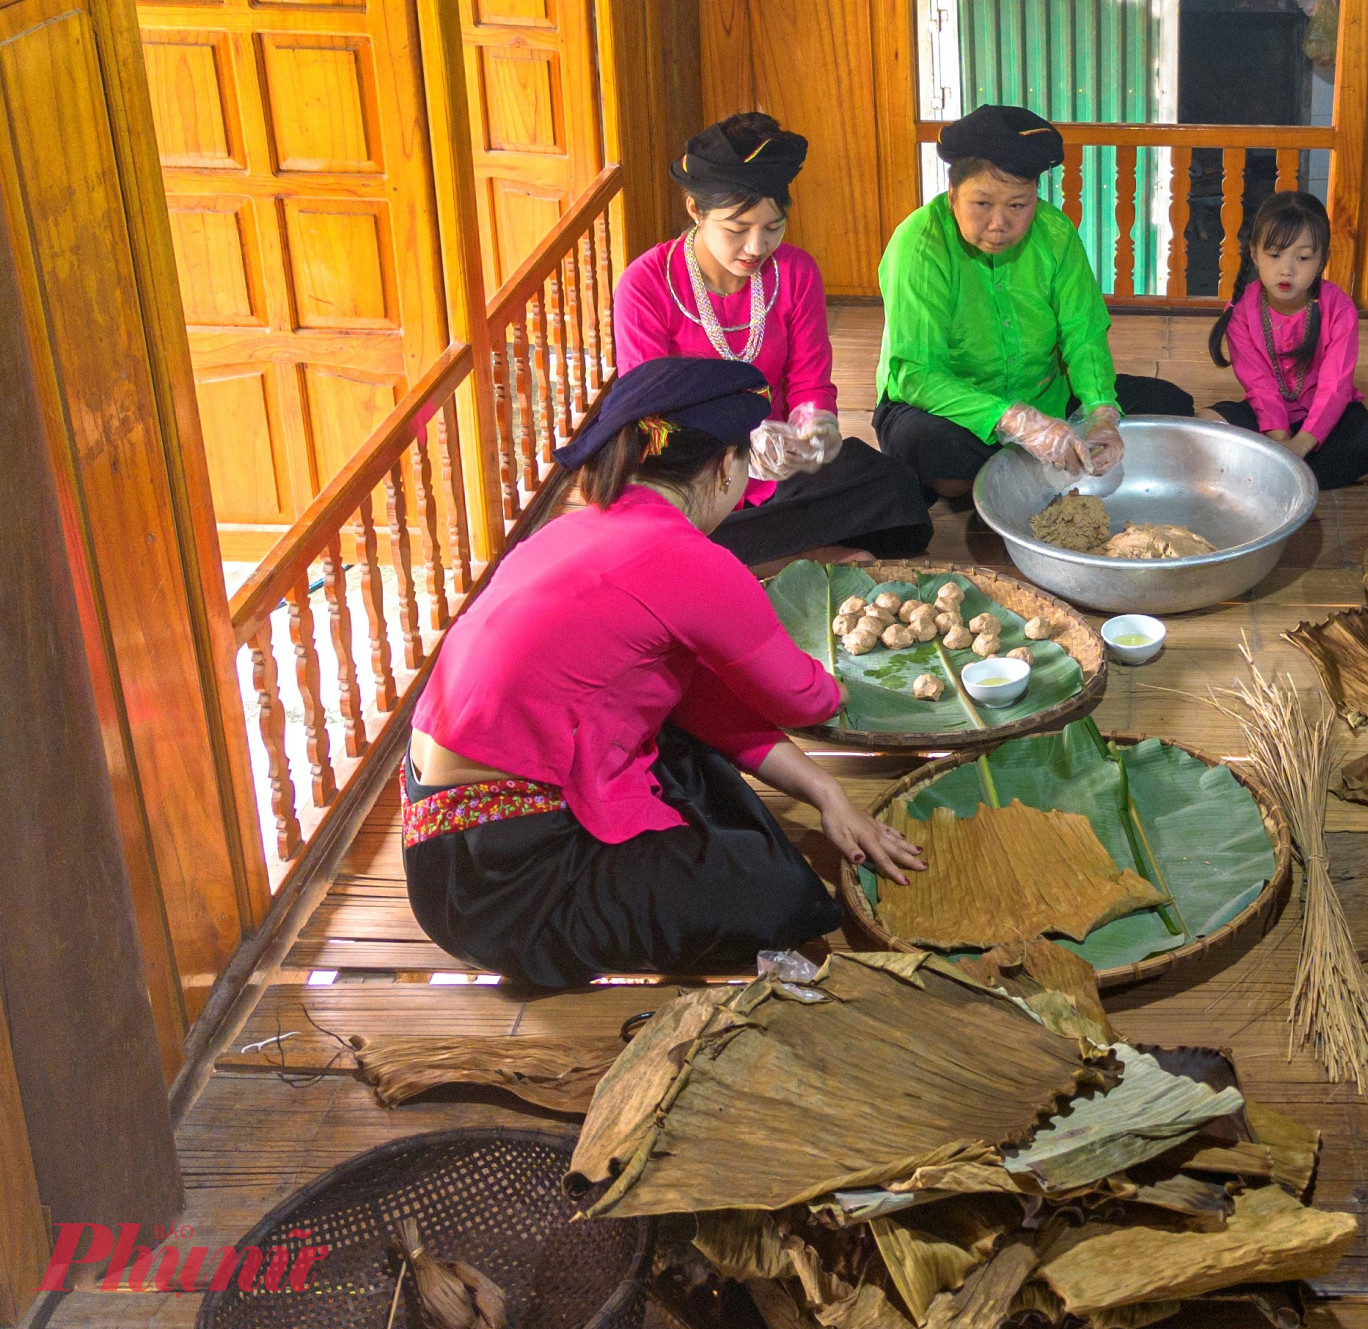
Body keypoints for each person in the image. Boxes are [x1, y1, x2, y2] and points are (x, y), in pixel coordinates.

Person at [403, 358, 926, 988]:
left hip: (445, 829)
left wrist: (827, 793)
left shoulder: (575, 528)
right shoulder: (689, 561)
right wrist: (856, 676)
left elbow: (701, 704)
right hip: (499, 888)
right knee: (780, 897)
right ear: (724, 466)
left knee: (697, 752)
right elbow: (805, 699)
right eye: (747, 469)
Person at [614, 113, 933, 568]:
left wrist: (813, 427)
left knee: (897, 493)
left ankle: (749, 560)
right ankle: (799, 555)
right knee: (650, 535)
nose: (756, 247)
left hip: (777, 467)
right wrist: (732, 448)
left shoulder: (795, 271)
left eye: (772, 227)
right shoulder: (645, 285)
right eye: (737, 229)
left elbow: (810, 381)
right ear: (695, 211)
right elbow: (649, 414)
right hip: (692, 473)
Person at [873, 103, 1196, 502]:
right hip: (950, 408)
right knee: (923, 442)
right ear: (953, 193)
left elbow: (1084, 331)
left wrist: (1099, 411)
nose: (999, 224)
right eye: (982, 204)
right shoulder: (918, 245)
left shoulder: (1054, 231)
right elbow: (916, 376)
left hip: (1046, 401)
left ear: (1035, 197)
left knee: (1172, 403)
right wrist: (1014, 420)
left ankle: (1008, 471)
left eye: (1017, 205)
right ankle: (989, 475)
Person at [1201, 191, 1368, 488]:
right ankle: (1295, 474)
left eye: (1302, 257)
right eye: (1274, 255)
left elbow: (1335, 388)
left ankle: (1269, 475)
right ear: (1254, 253)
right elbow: (1259, 386)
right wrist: (1280, 441)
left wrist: (1299, 447)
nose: (1287, 269)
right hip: (1269, 421)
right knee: (1203, 423)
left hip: (1329, 420)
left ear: (1322, 258)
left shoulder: (1339, 308)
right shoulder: (1240, 310)